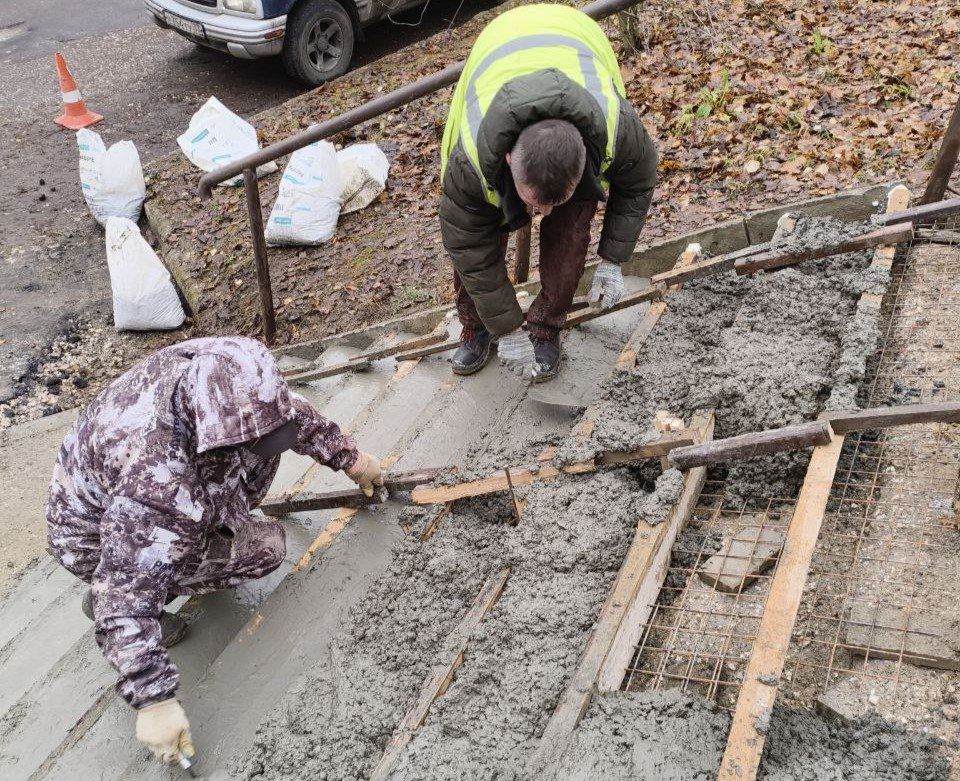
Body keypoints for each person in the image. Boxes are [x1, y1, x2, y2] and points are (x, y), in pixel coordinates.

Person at [45, 336, 383, 766]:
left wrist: (351, 458)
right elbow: (125, 584)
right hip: (98, 541)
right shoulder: (156, 477)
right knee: (264, 548)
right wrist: (153, 700)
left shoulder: (227, 371)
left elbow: (286, 411)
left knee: (248, 467)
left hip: (130, 497)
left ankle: (191, 542)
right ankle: (118, 603)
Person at [439, 3, 658, 382]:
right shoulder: (469, 163)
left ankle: (547, 326)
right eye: (534, 203)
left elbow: (638, 183)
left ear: (585, 158)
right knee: (479, 236)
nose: (543, 214)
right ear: (508, 161)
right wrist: (507, 329)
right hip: (499, 45)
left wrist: (612, 261)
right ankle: (477, 326)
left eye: (555, 201)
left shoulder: (616, 129)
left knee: (570, 231)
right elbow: (469, 247)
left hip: (575, 37)